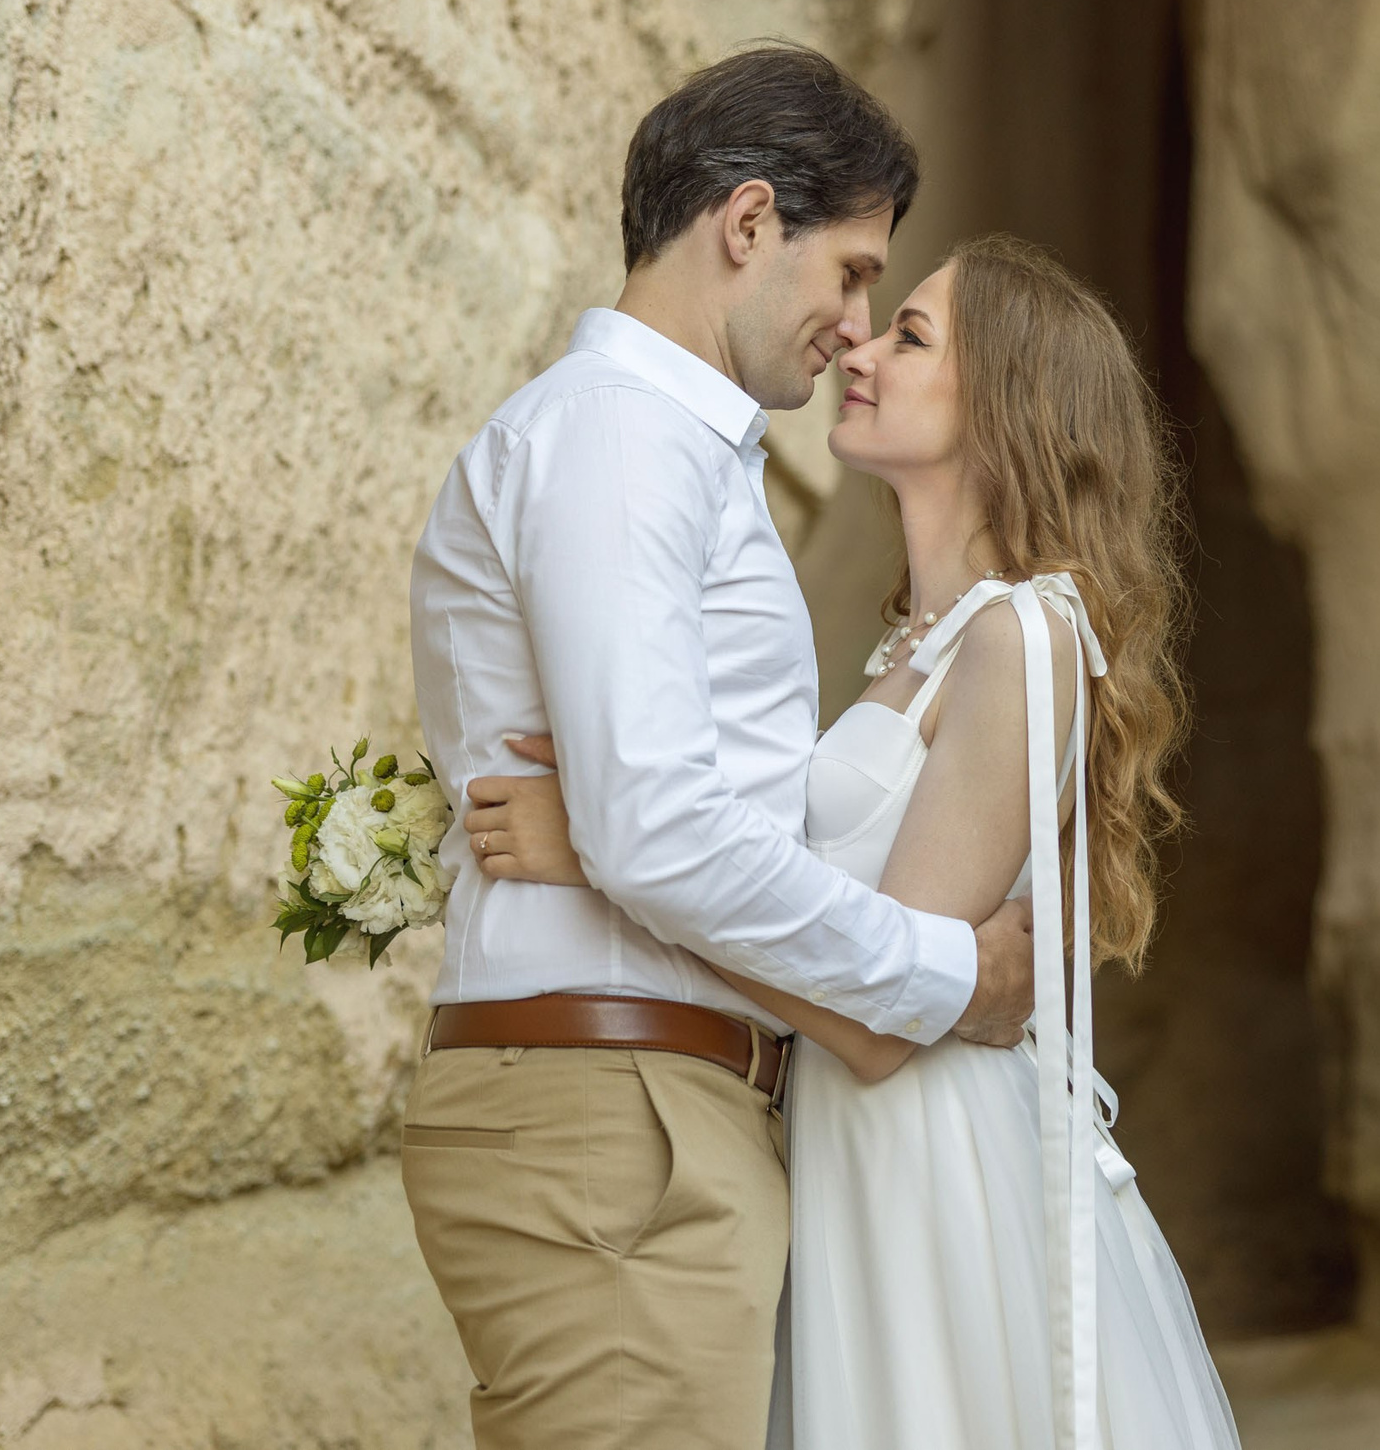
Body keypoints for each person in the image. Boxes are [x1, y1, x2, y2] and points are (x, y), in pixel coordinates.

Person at [467, 235, 1243, 1448]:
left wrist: (602, 854)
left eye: (913, 336)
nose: (860, 348)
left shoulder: (1025, 641)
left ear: (1007, 405)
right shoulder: (910, 652)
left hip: (934, 1161)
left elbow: (880, 1015)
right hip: (847, 1149)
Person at [403, 45, 1039, 1450]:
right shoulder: (624, 439)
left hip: (639, 1117)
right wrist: (946, 974)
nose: (854, 322)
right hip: (612, 1121)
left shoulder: (656, 450)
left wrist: (595, 841)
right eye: (855, 271)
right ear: (748, 224)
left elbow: (642, 820)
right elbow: (661, 827)